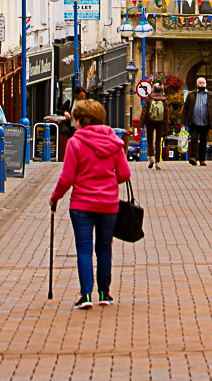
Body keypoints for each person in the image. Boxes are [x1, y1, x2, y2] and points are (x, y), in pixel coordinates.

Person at [50, 98, 131, 309]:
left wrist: (55, 197)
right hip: (108, 204)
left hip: (82, 205)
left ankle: (85, 295)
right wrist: (108, 179)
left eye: (75, 118)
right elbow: (124, 173)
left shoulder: (75, 143)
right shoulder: (115, 142)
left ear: (81, 120)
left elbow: (66, 178)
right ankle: (105, 292)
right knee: (104, 248)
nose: (73, 122)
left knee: (84, 249)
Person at [182, 76, 212, 166]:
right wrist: (183, 122)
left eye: (203, 83)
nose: (201, 84)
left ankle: (202, 159)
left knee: (204, 141)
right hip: (194, 121)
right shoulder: (191, 95)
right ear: (197, 84)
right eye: (200, 83)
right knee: (194, 140)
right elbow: (185, 108)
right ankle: (193, 157)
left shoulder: (211, 95)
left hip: (205, 122)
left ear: (206, 84)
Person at [138, 81, 169, 169]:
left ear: (153, 90)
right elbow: (166, 115)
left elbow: (144, 112)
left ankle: (151, 157)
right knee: (158, 142)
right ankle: (158, 162)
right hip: (160, 123)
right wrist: (166, 128)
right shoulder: (164, 100)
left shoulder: (149, 98)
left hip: (150, 122)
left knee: (150, 140)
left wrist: (141, 125)